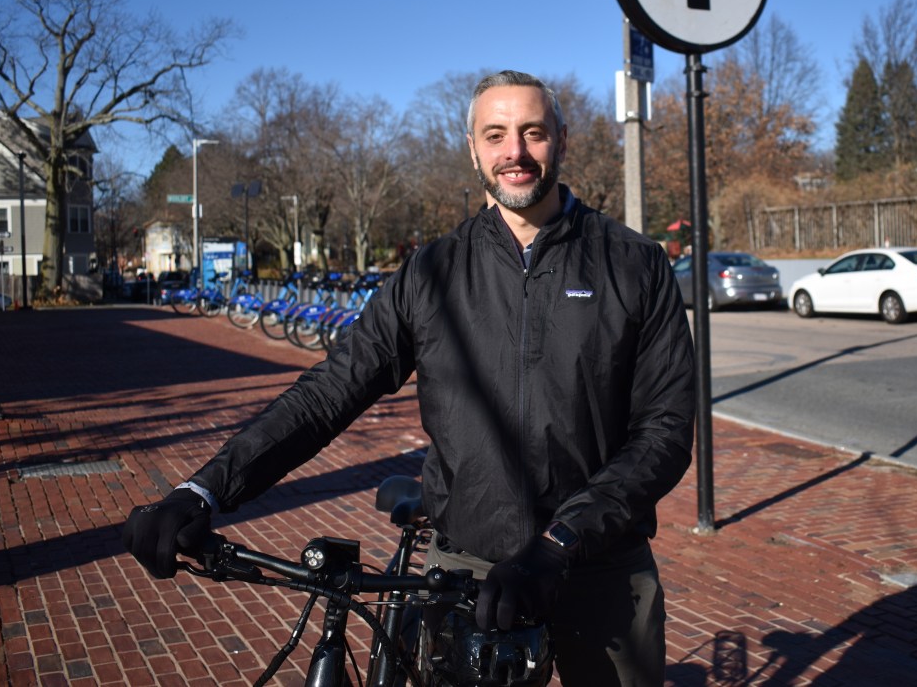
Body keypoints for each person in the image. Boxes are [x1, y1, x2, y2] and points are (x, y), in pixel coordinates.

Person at [123, 70, 696, 686]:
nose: (515, 152)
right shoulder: (432, 272)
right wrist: (205, 489)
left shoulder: (632, 263)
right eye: (496, 134)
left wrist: (560, 542)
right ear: (472, 147)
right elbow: (329, 393)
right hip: (467, 570)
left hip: (599, 565)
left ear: (562, 138)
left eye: (533, 133)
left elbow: (663, 431)